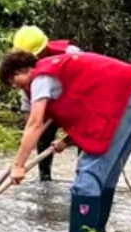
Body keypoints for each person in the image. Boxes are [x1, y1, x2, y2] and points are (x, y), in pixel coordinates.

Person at [0, 50, 131, 232]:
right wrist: (66, 141)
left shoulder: (40, 77)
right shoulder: (56, 71)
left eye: (13, 81)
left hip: (126, 96)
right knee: (107, 172)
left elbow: (35, 123)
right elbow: (88, 110)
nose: (16, 87)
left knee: (89, 172)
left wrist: (19, 165)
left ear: (23, 70)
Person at [12, 25, 82, 182]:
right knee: (43, 136)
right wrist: (31, 130)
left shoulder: (71, 54)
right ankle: (44, 178)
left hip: (75, 102)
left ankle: (82, 176)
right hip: (46, 104)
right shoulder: (24, 68)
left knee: (83, 137)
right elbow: (27, 94)